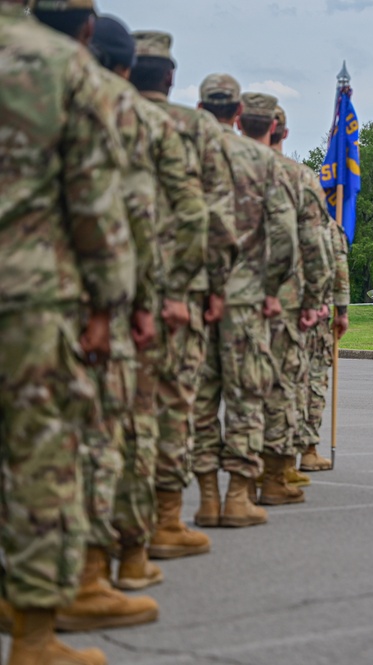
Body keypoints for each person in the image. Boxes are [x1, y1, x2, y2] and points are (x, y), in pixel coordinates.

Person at [1, 0, 136, 660]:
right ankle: (33, 637)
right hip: (27, 294)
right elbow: (93, 198)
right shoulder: (62, 67)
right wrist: (108, 303)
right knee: (38, 458)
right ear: (85, 28)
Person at [31, 7, 164, 632]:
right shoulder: (83, 81)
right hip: (46, 293)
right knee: (68, 442)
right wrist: (121, 301)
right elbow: (111, 201)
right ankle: (75, 588)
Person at [129, 30, 239, 548]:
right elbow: (215, 210)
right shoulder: (195, 129)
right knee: (174, 400)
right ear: (170, 77)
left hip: (102, 283)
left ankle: (113, 537)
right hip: (176, 287)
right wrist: (216, 283)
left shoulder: (97, 107)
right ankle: (166, 520)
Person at [191, 75, 295, 528]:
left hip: (192, 296)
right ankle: (237, 497)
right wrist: (271, 288)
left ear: (200, 105)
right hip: (244, 298)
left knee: (198, 398)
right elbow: (285, 234)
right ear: (237, 114)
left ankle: (207, 498)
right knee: (246, 396)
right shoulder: (259, 159)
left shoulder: (184, 152)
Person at [248, 93, 328, 505]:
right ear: (283, 131)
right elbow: (315, 243)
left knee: (239, 389)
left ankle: (230, 488)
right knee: (281, 384)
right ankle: (277, 475)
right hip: (284, 298)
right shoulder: (296, 176)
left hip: (225, 298)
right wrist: (318, 297)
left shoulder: (221, 166)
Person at [270, 105, 351, 474]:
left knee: (275, 381)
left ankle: (275, 457)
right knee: (311, 379)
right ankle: (303, 450)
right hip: (306, 309)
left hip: (266, 307)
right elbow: (332, 262)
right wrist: (339, 308)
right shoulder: (317, 219)